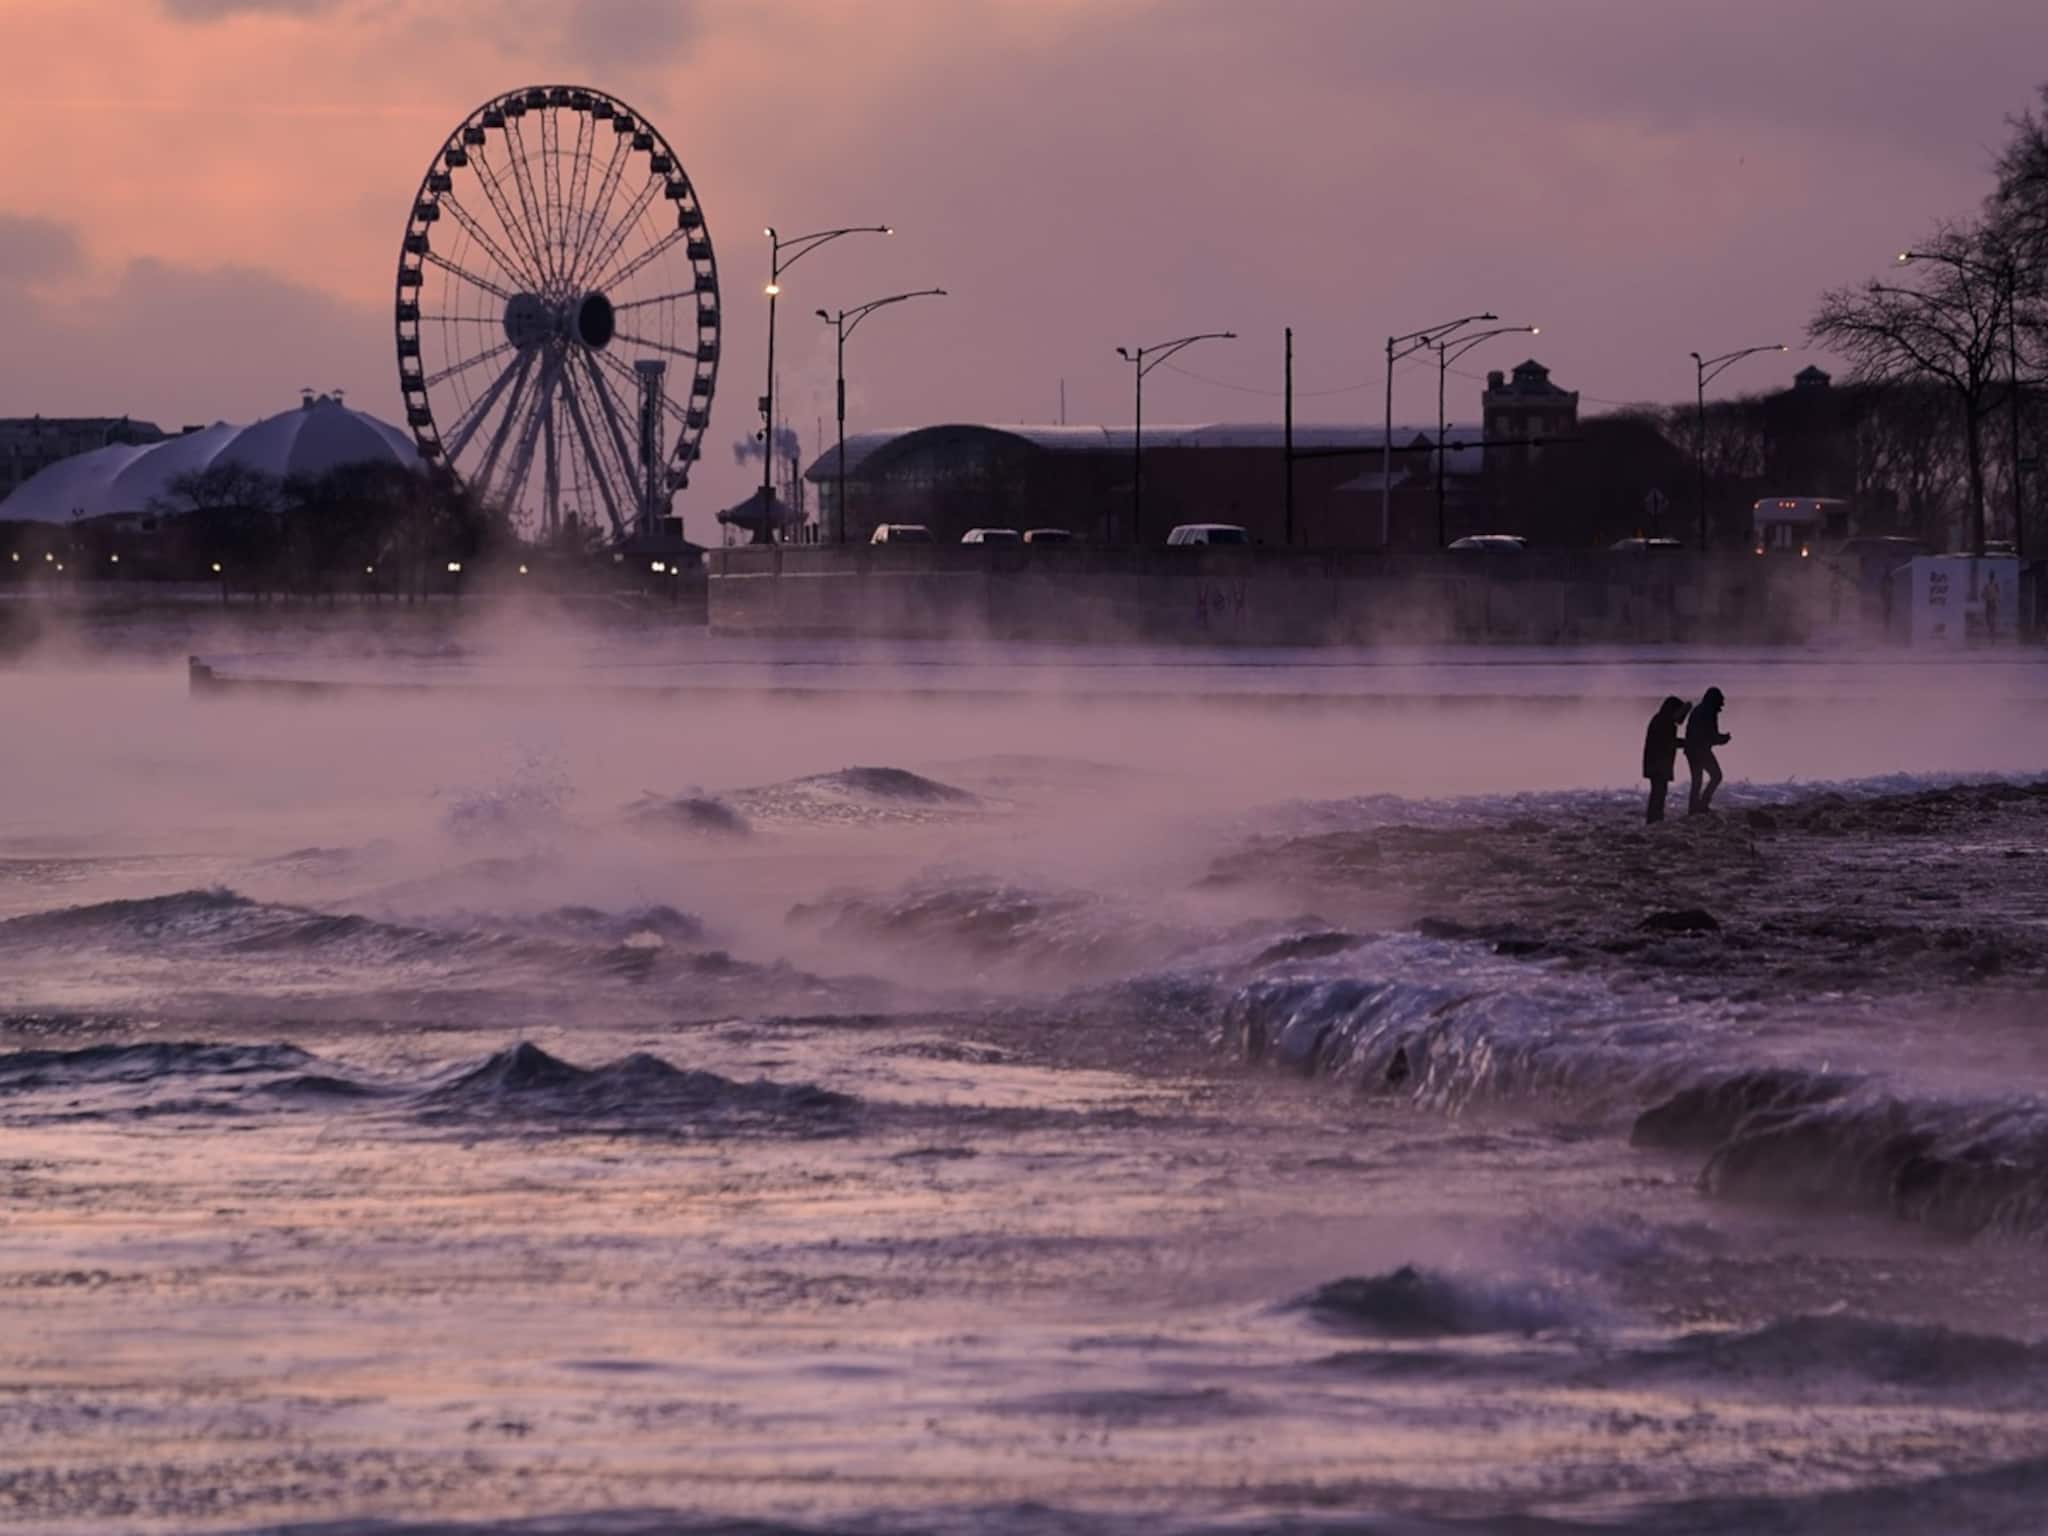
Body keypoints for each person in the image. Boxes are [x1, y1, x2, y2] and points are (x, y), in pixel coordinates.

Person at [1642, 696, 1689, 824]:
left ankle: (1654, 819)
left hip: (1655, 763)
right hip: (1658, 764)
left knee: (1658, 792)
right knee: (1659, 792)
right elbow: (1669, 743)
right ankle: (1654, 819)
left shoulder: (1661, 720)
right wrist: (1687, 743)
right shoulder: (1665, 722)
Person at [1685, 685, 1731, 815]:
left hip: (1692, 750)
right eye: (1720, 701)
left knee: (1697, 780)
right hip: (1700, 750)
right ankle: (1702, 805)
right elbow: (1711, 736)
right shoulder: (1709, 712)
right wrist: (1723, 739)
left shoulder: (1699, 710)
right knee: (1716, 776)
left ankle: (1694, 808)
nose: (1722, 705)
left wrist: (1719, 738)